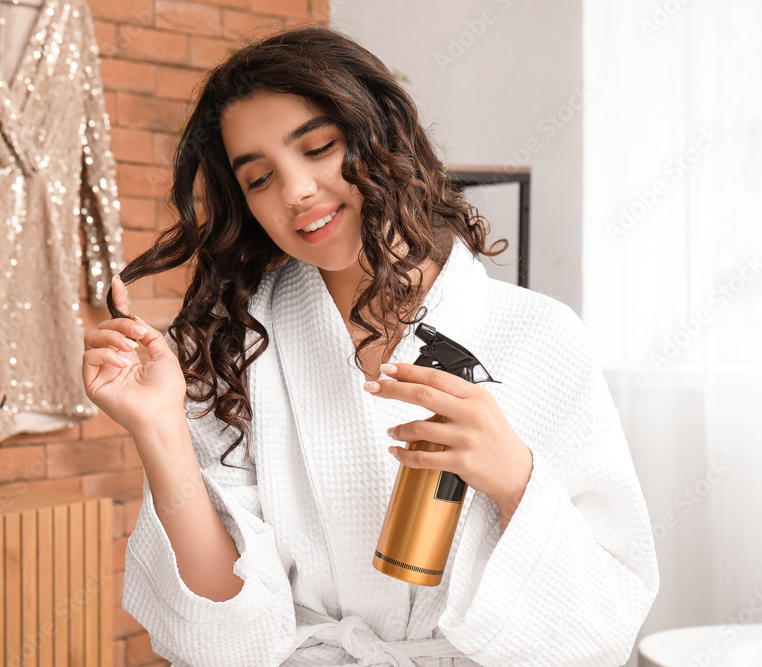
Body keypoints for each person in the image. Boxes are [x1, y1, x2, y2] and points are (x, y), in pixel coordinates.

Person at [82, 25, 659, 667]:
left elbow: (605, 621)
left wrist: (515, 480)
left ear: (380, 133)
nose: (295, 191)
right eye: (259, 179)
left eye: (320, 147)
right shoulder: (234, 351)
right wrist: (159, 428)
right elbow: (225, 639)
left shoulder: (540, 335)